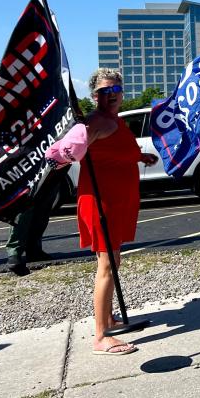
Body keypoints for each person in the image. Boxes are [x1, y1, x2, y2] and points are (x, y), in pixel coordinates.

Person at [47, 69, 158, 355]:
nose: (111, 96)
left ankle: (108, 318)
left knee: (113, 262)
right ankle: (101, 336)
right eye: (104, 92)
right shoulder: (95, 122)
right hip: (101, 201)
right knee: (107, 265)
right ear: (94, 96)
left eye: (116, 91)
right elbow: (65, 153)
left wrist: (140, 156)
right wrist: (72, 146)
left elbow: (117, 150)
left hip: (117, 200)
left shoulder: (114, 121)